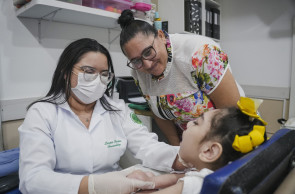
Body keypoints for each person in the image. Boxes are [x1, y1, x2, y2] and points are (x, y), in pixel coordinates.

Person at [18, 38, 184, 194]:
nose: (97, 81)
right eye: (89, 71)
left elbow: (147, 146)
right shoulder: (42, 113)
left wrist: (184, 159)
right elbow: (32, 179)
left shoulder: (117, 109)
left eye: (104, 74)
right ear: (66, 73)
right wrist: (91, 185)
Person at [117, 10, 245, 146]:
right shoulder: (139, 72)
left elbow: (232, 113)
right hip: (192, 145)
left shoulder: (201, 53)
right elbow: (157, 111)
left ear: (160, 35)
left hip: (230, 136)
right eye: (136, 60)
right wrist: (177, 149)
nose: (147, 64)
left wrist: (211, 154)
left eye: (148, 52)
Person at [127, 97, 268, 194]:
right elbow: (179, 177)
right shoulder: (212, 171)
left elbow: (185, 182)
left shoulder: (199, 183)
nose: (188, 124)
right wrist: (152, 182)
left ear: (209, 151)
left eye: (196, 123)